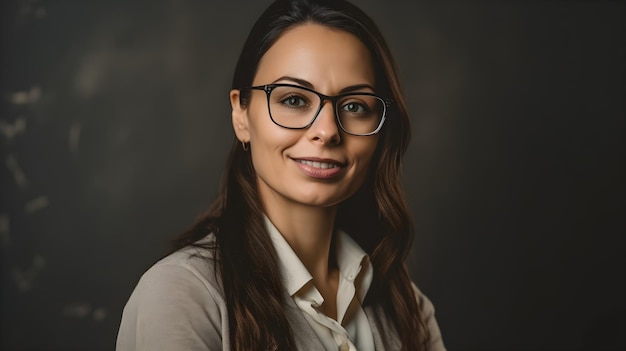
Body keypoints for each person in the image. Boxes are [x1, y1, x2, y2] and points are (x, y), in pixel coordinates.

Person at [116, 0, 445, 350]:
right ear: (241, 115)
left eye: (354, 106)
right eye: (293, 100)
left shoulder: (407, 305)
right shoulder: (183, 295)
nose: (327, 131)